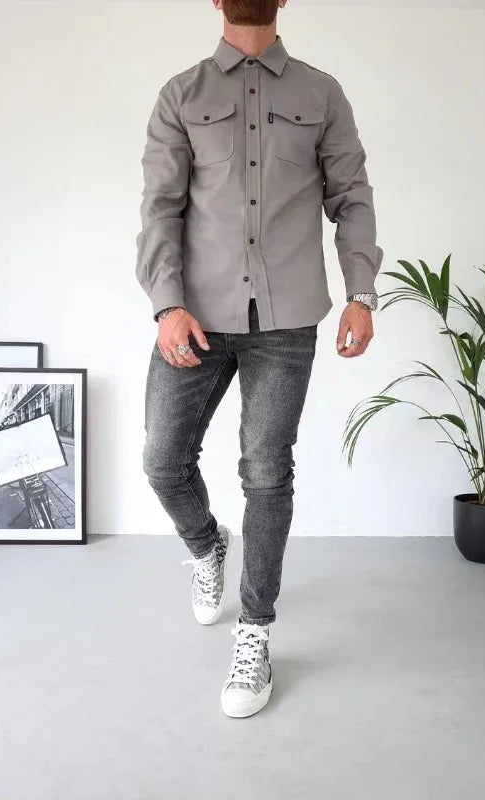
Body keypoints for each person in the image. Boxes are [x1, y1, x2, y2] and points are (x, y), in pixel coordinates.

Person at [135, 0, 383, 718]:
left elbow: (352, 196)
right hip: (194, 317)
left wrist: (362, 291)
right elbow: (159, 207)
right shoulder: (181, 95)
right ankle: (208, 546)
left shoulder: (321, 93)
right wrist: (165, 303)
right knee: (161, 459)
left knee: (266, 470)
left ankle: (255, 629)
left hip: (288, 320)